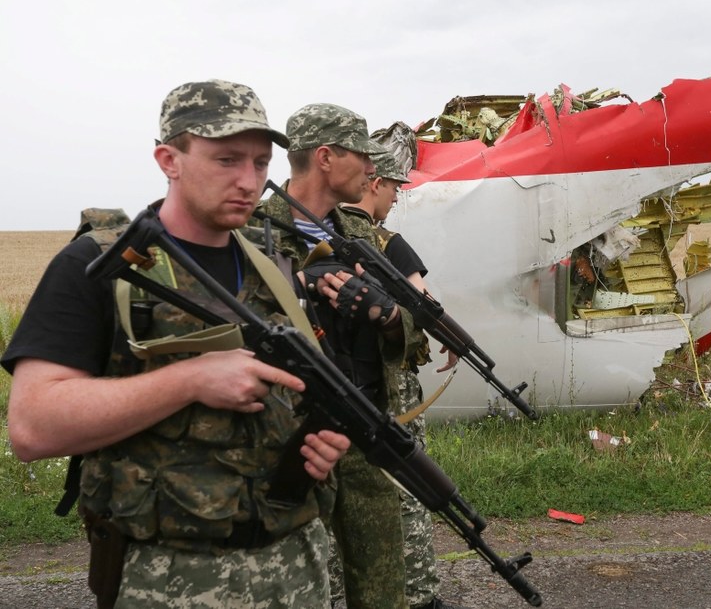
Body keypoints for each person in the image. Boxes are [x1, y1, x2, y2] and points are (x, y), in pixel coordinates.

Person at [1, 79, 351, 609]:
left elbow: (295, 394)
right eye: (227, 159)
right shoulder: (98, 266)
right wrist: (189, 379)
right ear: (169, 159)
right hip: (165, 578)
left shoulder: (274, 264)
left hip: (296, 566)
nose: (248, 180)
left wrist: (317, 445)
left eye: (260, 163)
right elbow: (33, 427)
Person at [252, 103, 426, 609]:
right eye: (363, 157)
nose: (374, 170)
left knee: (382, 587)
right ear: (326, 158)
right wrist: (300, 291)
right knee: (302, 586)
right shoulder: (255, 234)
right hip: (299, 445)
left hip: (369, 432)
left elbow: (412, 339)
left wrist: (390, 316)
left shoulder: (362, 236)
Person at [339, 150, 464, 609]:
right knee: (410, 486)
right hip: (393, 386)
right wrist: (455, 340)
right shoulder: (388, 243)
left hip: (345, 383)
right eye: (393, 188)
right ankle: (419, 595)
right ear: (373, 184)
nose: (395, 198)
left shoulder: (322, 232)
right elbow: (425, 302)